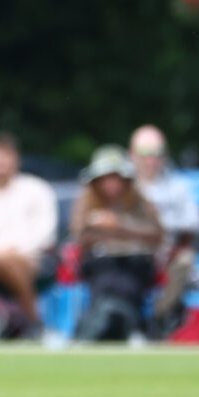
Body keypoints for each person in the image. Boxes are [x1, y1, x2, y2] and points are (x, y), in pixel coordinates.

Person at [0, 135, 58, 338]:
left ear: (17, 160)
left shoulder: (37, 189)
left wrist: (10, 252)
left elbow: (45, 234)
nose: (0, 163)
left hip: (30, 258)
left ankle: (32, 320)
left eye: (5, 157)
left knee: (8, 261)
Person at [71, 145, 164, 341]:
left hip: (135, 262)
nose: (111, 184)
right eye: (106, 179)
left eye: (116, 178)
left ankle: (110, 319)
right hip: (100, 262)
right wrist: (98, 229)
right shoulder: (87, 200)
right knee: (107, 279)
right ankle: (119, 321)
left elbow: (157, 235)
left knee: (125, 281)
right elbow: (78, 237)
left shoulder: (140, 200)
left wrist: (120, 226)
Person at [129, 125, 199, 327]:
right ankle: (129, 319)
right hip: (132, 252)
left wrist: (162, 226)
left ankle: (158, 317)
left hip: (170, 251)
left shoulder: (179, 186)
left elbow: (195, 222)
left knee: (186, 259)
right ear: (132, 155)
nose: (152, 159)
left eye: (157, 153)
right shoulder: (123, 186)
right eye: (145, 153)